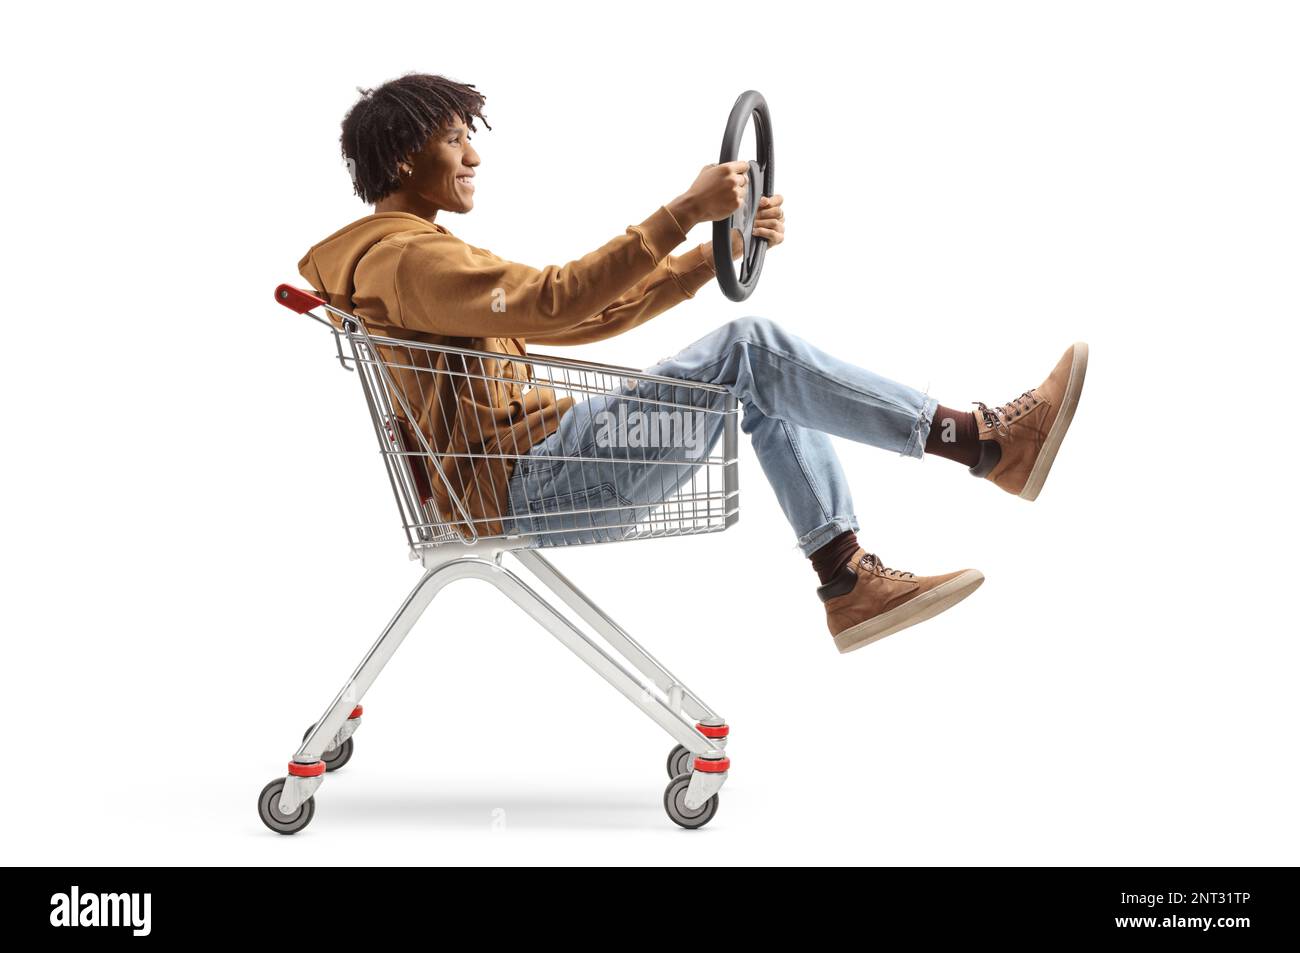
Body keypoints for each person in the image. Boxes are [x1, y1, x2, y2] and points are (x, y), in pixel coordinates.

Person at [297, 73, 1088, 654]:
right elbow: (553, 301)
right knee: (752, 349)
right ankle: (979, 443)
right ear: (404, 156)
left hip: (544, 464)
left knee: (761, 371)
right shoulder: (408, 264)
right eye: (454, 138)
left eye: (472, 137)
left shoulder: (415, 257)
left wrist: (715, 256)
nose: (474, 156)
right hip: (534, 479)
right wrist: (683, 213)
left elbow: (587, 317)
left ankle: (849, 582)